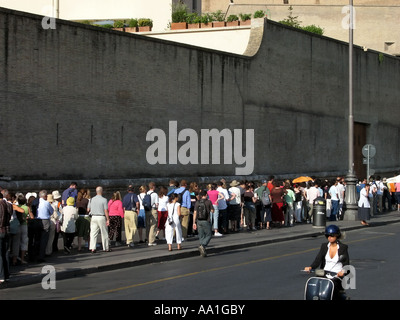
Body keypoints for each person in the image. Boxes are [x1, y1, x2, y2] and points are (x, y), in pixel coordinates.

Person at [304, 225, 350, 300]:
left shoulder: (343, 248)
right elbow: (318, 259)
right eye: (327, 235)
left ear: (337, 235)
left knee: (330, 290)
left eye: (332, 235)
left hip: (337, 276)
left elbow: (346, 264)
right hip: (324, 274)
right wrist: (311, 267)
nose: (329, 237)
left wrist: (342, 272)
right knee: (315, 286)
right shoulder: (324, 246)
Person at [88, 186, 110, 253]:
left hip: (93, 217)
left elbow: (88, 209)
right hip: (101, 217)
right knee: (104, 233)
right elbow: (106, 210)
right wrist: (108, 219)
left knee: (93, 233)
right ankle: (106, 247)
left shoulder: (91, 199)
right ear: (102, 191)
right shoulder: (104, 200)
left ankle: (92, 248)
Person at [193, 190, 214, 257]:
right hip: (206, 220)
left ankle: (202, 250)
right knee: (209, 234)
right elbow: (212, 211)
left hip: (199, 221)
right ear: (206, 195)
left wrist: (194, 222)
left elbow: (195, 213)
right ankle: (203, 246)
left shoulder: (197, 202)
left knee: (201, 235)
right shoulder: (208, 202)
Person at [36, 190, 54, 262]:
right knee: (44, 238)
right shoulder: (46, 203)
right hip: (45, 220)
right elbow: (51, 211)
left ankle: (35, 254)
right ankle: (41, 256)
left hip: (37, 220)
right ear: (45, 196)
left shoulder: (36, 202)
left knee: (37, 238)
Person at [0, 193, 13, 284]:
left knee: (0, 254)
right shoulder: (8, 205)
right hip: (7, 230)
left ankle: (1, 275)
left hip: (1, 230)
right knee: (5, 253)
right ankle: (6, 274)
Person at [146, 182, 159, 247]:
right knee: (153, 225)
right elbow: (157, 204)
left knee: (148, 225)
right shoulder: (155, 194)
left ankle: (148, 239)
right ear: (153, 187)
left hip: (147, 210)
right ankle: (151, 241)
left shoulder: (147, 193)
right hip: (153, 210)